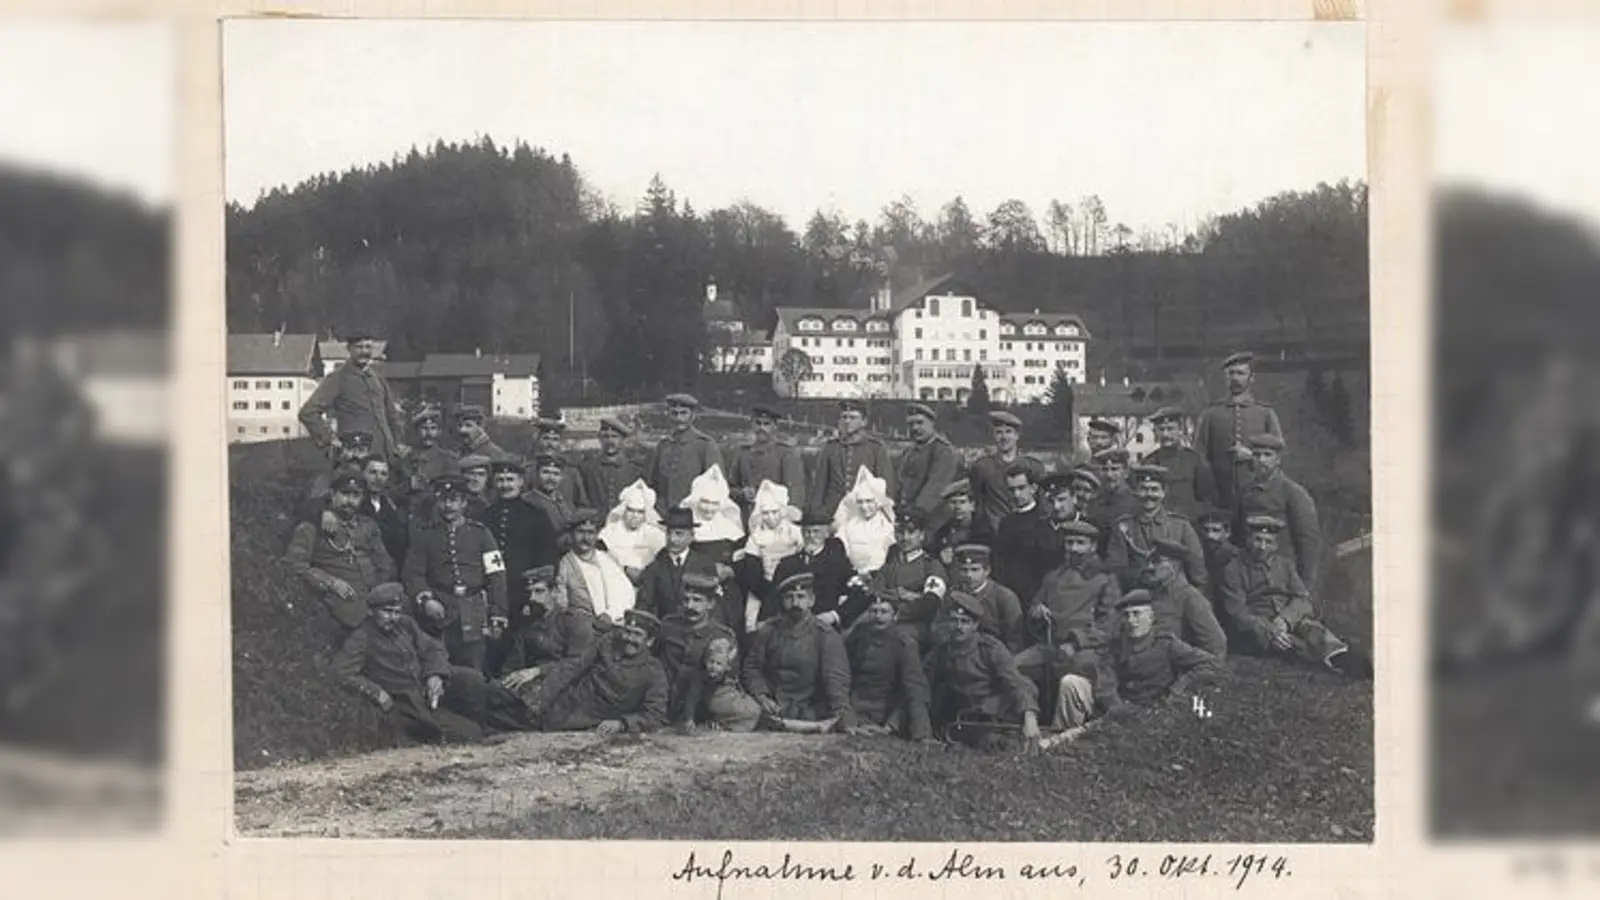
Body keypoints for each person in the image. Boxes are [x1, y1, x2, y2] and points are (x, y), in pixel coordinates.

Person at [333, 583, 529, 744]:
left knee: (472, 680)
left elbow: (432, 648)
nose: (393, 618)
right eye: (387, 612)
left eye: (396, 612)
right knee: (467, 734)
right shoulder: (362, 637)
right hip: (408, 700)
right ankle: (472, 731)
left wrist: (434, 675)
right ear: (371, 611)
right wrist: (376, 692)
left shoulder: (406, 625)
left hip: (426, 684)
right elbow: (341, 672)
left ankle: (486, 723)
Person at [1216, 515, 1371, 677]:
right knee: (1292, 644)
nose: (1262, 547)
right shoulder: (1233, 569)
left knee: (1313, 630)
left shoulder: (1285, 565)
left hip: (1289, 620)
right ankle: (1338, 662)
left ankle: (1344, 656)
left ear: (1275, 545)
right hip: (1258, 627)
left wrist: (1285, 619)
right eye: (1257, 540)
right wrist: (1271, 631)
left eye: (1268, 542)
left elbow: (1303, 599)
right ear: (1248, 540)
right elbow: (1238, 613)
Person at [1016, 520, 1120, 726]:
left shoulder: (1105, 579)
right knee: (1014, 668)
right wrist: (1036, 613)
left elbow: (1108, 625)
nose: (1073, 548)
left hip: (1087, 649)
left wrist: (1076, 642)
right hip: (1050, 644)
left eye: (1080, 543)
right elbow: (1035, 605)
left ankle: (1069, 727)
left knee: (1075, 672)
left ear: (1093, 546)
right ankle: (1028, 721)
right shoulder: (1053, 577)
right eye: (1069, 543)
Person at [401, 473, 509, 671]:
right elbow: (413, 573)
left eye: (454, 500)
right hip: (440, 609)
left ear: (464, 503)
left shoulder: (481, 533)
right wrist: (426, 600)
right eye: (443, 500)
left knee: (474, 668)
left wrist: (497, 614)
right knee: (438, 666)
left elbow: (497, 575)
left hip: (474, 610)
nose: (448, 506)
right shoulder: (425, 535)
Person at [1077, 589, 1223, 728]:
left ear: (1151, 618)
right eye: (1126, 615)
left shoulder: (1166, 643)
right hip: (1125, 713)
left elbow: (1210, 663)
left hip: (1160, 712)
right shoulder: (1115, 647)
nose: (1131, 621)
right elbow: (1106, 684)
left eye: (1136, 614)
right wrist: (1118, 708)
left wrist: (1179, 688)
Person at [284, 472, 396, 649]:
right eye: (344, 494)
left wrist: (381, 592)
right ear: (332, 495)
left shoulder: (368, 525)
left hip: (374, 597)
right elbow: (295, 564)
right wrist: (331, 582)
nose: (350, 501)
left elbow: (384, 563)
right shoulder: (311, 526)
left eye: (356, 495)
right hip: (343, 601)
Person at [519, 608, 670, 735]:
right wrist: (543, 698)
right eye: (627, 632)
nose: (629, 639)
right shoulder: (607, 644)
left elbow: (655, 715)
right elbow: (574, 667)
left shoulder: (654, 672)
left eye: (637, 634)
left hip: (580, 721)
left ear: (650, 641)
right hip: (560, 702)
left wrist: (622, 724)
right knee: (501, 698)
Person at [924, 590, 1041, 749]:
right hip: (967, 716)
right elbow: (920, 685)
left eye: (965, 622)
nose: (959, 627)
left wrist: (1030, 717)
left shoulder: (990, 649)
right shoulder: (943, 652)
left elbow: (1016, 683)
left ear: (975, 625)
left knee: (994, 743)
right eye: (954, 621)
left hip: (999, 716)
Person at [742, 571, 854, 729]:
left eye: (801, 597)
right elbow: (752, 667)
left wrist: (842, 715)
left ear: (811, 601)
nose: (795, 603)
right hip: (771, 705)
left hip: (809, 708)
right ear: (782, 601)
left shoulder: (825, 635)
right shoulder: (769, 630)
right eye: (789, 597)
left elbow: (836, 680)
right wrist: (762, 696)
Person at [298, 328, 408, 468]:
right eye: (359, 347)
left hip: (386, 458)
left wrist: (398, 442)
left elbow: (392, 415)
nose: (364, 351)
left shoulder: (377, 378)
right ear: (348, 349)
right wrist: (330, 440)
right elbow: (308, 412)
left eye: (368, 347)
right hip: (356, 459)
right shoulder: (338, 378)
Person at [1193, 350, 1284, 510]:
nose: (1235, 378)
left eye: (1241, 373)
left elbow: (1279, 453)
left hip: (1258, 495)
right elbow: (1199, 457)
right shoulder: (1210, 414)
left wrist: (1251, 456)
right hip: (1220, 497)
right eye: (1231, 374)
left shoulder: (1265, 413)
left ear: (1251, 378)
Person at [483, 459, 561, 640]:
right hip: (493, 592)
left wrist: (538, 591)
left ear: (520, 482)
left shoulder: (536, 515)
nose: (505, 485)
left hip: (525, 592)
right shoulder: (486, 515)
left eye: (510, 479)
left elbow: (548, 555)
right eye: (500, 480)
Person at [1236, 432, 1323, 589]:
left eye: (1267, 455)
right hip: (1249, 574)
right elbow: (1239, 536)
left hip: (1282, 575)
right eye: (1256, 455)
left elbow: (1308, 544)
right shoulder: (1246, 491)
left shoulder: (1293, 493)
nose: (1261, 460)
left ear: (1278, 460)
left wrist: (1306, 587)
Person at [1105, 464, 1208, 593]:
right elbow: (1115, 567)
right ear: (1136, 492)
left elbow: (1196, 566)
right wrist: (1141, 577)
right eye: (1143, 489)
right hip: (1137, 594)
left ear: (1163, 493)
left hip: (1174, 594)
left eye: (1154, 489)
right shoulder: (1124, 526)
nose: (1149, 495)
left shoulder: (1180, 525)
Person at [844, 593, 933, 740]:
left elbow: (915, 687)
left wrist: (920, 733)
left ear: (895, 615)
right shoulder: (858, 636)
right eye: (873, 611)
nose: (878, 616)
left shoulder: (903, 642)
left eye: (884, 612)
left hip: (885, 711)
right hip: (857, 705)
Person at [655, 571, 738, 721]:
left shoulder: (723, 635)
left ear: (711, 604)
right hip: (664, 702)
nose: (690, 606)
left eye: (697, 600)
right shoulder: (668, 626)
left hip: (700, 709)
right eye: (685, 600)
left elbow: (727, 679)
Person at [770, 512, 862, 631]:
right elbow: (773, 598)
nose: (811, 536)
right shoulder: (787, 564)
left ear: (826, 534)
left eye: (816, 531)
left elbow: (859, 593)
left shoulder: (838, 564)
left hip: (826, 629)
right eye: (807, 532)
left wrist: (835, 615)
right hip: (792, 627)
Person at [1137, 538, 1229, 657]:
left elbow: (1216, 645)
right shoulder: (1147, 594)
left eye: (1156, 561)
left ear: (1175, 565)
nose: (1149, 566)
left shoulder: (1189, 597)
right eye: (1148, 561)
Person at [807, 398, 896, 521]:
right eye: (844, 417)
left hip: (864, 513)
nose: (847, 421)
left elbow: (885, 486)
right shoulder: (830, 448)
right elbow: (820, 484)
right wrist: (816, 511)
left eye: (853, 418)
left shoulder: (875, 448)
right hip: (832, 511)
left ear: (863, 421)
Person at [497, 566, 596, 675]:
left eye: (539, 591)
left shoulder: (573, 621)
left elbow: (578, 663)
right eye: (528, 593)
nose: (532, 598)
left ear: (553, 592)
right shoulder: (526, 625)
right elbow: (513, 664)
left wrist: (539, 670)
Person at [870, 509, 948, 648]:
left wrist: (897, 611)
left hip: (914, 624)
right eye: (900, 532)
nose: (905, 538)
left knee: (901, 640)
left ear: (922, 535)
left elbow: (930, 603)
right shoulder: (891, 562)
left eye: (911, 532)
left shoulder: (931, 565)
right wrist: (902, 594)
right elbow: (875, 591)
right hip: (881, 616)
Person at [634, 508, 721, 621]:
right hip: (667, 630)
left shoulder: (704, 564)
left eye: (679, 534)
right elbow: (644, 604)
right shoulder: (655, 567)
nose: (672, 539)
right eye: (669, 533)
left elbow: (714, 606)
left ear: (691, 536)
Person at [967, 410, 1046, 533]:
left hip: (1027, 532)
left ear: (1017, 435)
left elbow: (1042, 504)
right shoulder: (982, 467)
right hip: (994, 532)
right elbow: (978, 502)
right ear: (993, 436)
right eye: (999, 432)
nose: (1004, 437)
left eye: (1009, 432)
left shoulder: (1033, 467)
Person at [646, 393, 724, 517]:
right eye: (674, 413)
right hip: (663, 515)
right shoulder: (663, 445)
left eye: (683, 413)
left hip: (694, 516)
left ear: (693, 416)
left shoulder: (705, 445)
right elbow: (652, 484)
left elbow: (716, 485)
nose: (679, 418)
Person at [993, 463, 1060, 604]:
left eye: (1021, 488)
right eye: (1012, 490)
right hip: (1009, 596)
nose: (1016, 495)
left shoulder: (1044, 521)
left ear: (1033, 488)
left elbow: (1050, 567)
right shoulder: (1006, 523)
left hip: (1036, 597)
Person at [555, 508, 636, 625]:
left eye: (590, 533)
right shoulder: (565, 565)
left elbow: (626, 592)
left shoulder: (606, 559)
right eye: (580, 532)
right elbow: (561, 606)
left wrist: (610, 614)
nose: (585, 538)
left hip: (612, 622)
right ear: (571, 534)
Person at [941, 544, 1026, 653]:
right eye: (964, 570)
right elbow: (938, 629)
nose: (969, 575)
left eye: (974, 570)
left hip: (992, 658)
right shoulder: (952, 595)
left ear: (987, 571)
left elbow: (1015, 641)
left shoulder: (1004, 597)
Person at [729, 404, 805, 525]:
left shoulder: (785, 453)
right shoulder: (742, 453)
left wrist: (790, 520)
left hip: (776, 520)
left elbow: (794, 490)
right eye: (758, 423)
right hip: (747, 518)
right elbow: (730, 487)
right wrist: (742, 493)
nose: (761, 428)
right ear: (752, 425)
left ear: (775, 427)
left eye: (767, 424)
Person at [674, 636, 764, 732]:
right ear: (705, 661)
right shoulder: (700, 676)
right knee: (750, 711)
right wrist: (689, 718)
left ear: (727, 667)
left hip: (723, 702)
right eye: (711, 662)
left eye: (719, 664)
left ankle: (726, 724)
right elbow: (692, 697)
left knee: (753, 707)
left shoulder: (727, 675)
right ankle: (721, 724)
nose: (714, 667)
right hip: (709, 704)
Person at [1141, 407, 1216, 519]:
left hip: (1188, 522)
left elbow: (1207, 499)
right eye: (1161, 429)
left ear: (1180, 430)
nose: (1166, 435)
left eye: (1171, 429)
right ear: (1155, 432)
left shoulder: (1195, 460)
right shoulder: (1148, 462)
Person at [896, 402, 960, 521]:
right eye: (911, 424)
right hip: (907, 513)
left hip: (933, 516)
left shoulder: (943, 451)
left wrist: (916, 511)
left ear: (932, 423)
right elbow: (900, 481)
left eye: (920, 423)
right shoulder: (909, 452)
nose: (915, 428)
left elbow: (936, 485)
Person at [597, 479, 666, 581]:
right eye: (631, 511)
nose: (634, 516)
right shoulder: (610, 530)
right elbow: (600, 556)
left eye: (639, 512)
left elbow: (663, 560)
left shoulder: (654, 534)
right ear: (624, 511)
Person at [832, 466, 896, 576]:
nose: (864, 507)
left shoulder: (887, 526)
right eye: (860, 502)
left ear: (877, 502)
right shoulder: (848, 526)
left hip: (881, 576)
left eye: (869, 501)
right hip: (853, 575)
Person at [303, 430, 375, 520]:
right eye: (349, 449)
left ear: (368, 454)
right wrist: (325, 512)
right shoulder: (327, 478)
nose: (354, 455)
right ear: (341, 452)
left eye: (361, 450)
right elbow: (313, 506)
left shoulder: (370, 478)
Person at [578, 416, 641, 515]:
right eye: (606, 437)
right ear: (600, 439)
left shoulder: (634, 470)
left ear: (623, 440)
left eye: (614, 437)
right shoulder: (587, 468)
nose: (610, 441)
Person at [356, 455, 409, 572]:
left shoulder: (390, 504)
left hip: (390, 568)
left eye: (383, 474)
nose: (378, 478)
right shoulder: (354, 503)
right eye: (373, 472)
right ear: (362, 474)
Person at [926, 478, 995, 564]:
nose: (958, 507)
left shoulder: (984, 530)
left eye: (962, 502)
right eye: (953, 502)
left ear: (972, 505)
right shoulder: (941, 533)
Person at [529, 417, 590, 510]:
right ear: (538, 440)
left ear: (560, 443)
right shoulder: (528, 471)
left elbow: (582, 504)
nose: (550, 444)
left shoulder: (572, 472)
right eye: (546, 438)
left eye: (555, 439)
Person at [403, 406, 460, 499]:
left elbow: (454, 490)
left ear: (439, 432)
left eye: (433, 428)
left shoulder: (448, 459)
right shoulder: (407, 459)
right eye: (424, 428)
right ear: (417, 431)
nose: (428, 433)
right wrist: (408, 485)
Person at [522, 453, 576, 536]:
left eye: (556, 474)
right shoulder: (527, 502)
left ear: (561, 477)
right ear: (536, 474)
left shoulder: (562, 501)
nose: (551, 478)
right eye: (546, 472)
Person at [1090, 447, 1138, 530]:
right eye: (1105, 469)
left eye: (1114, 469)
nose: (1109, 475)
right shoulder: (1095, 501)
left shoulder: (1135, 503)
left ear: (1126, 473)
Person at [457, 453, 494, 523]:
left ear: (487, 477)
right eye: (471, 474)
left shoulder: (493, 502)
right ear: (463, 476)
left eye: (481, 474)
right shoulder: (455, 502)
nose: (476, 479)